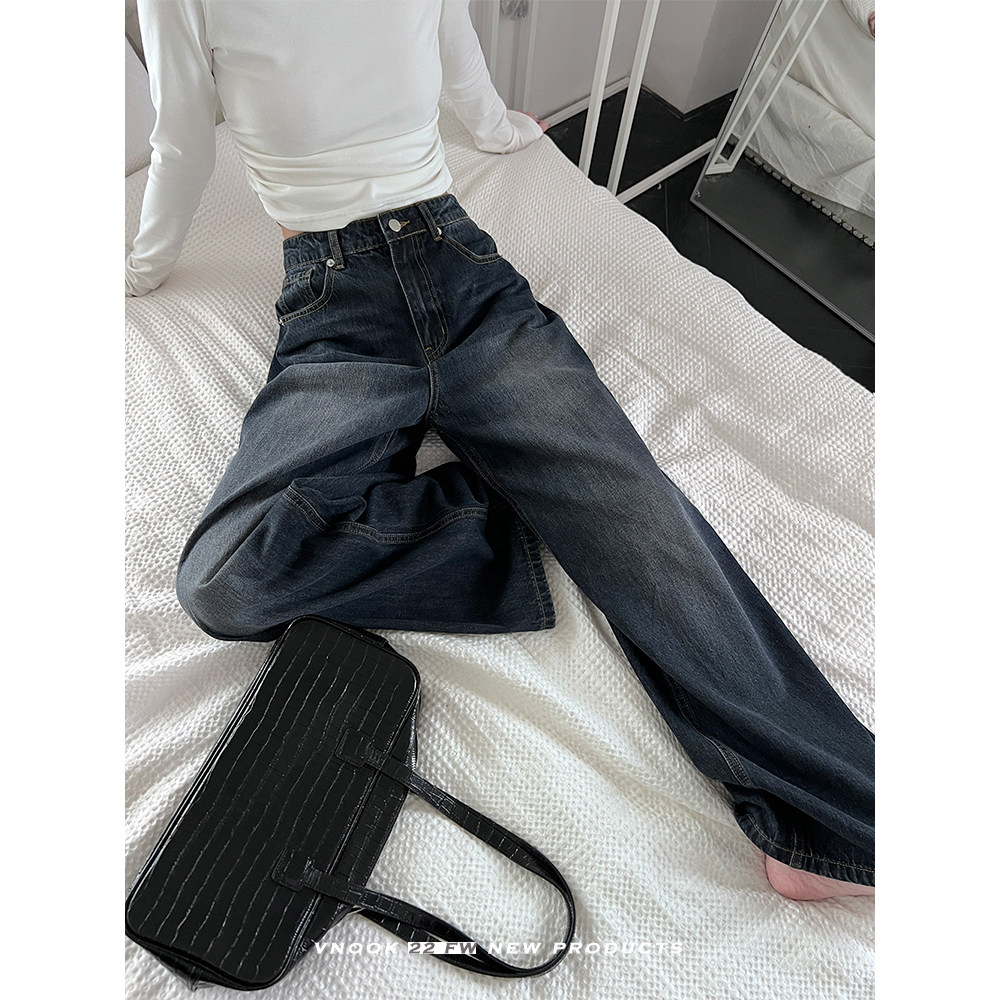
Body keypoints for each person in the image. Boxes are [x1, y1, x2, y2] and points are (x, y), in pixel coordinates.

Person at [127, 0, 874, 902]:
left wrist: (499, 131)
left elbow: (453, 44)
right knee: (222, 581)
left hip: (459, 268)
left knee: (642, 514)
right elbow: (181, 142)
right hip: (335, 310)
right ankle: (514, 525)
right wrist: (141, 268)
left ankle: (846, 828)